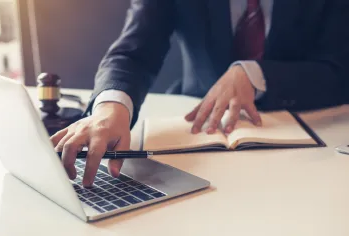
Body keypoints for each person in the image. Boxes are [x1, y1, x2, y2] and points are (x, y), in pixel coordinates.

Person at [51, 0, 349, 187]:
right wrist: (110, 106)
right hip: (196, 129)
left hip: (309, 141)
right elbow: (133, 51)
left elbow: (340, 69)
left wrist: (257, 74)